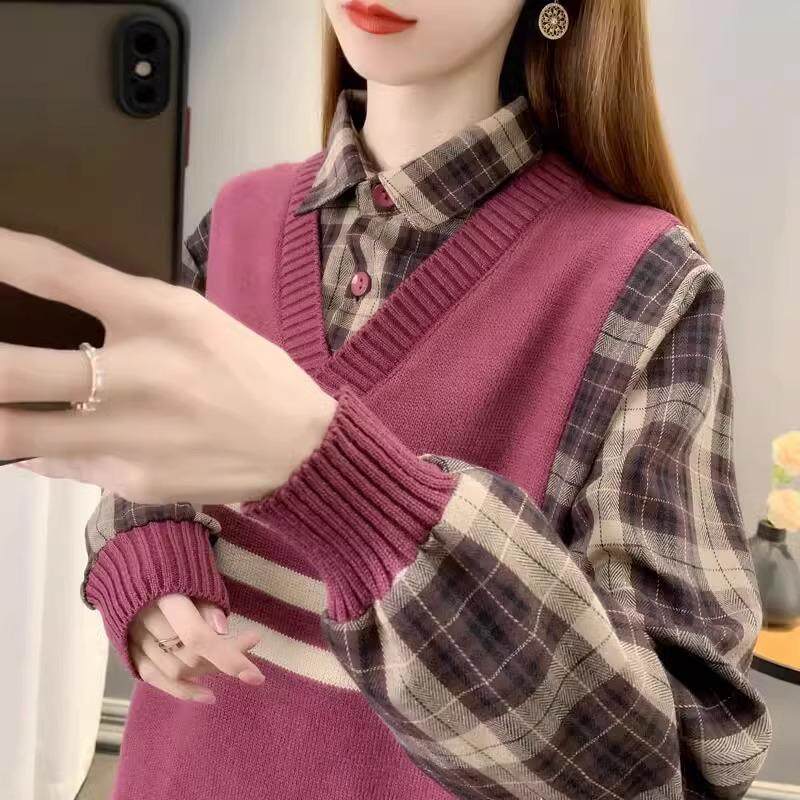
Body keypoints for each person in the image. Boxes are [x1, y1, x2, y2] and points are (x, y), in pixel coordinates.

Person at [4, 1, 773, 798]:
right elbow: (142, 449)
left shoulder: (645, 284)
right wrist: (144, 542)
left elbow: (676, 769)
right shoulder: (238, 215)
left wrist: (331, 476)